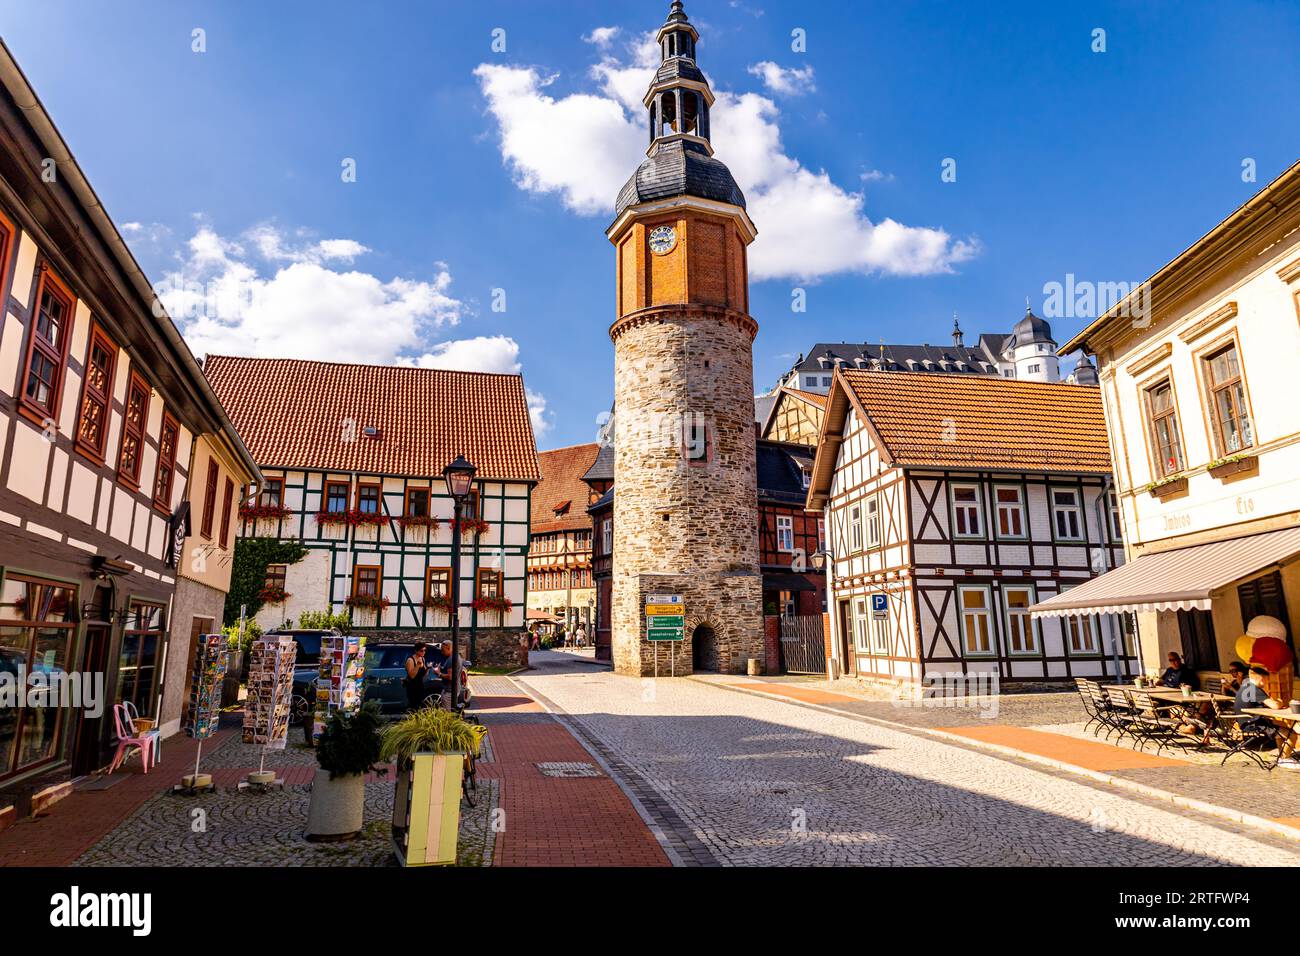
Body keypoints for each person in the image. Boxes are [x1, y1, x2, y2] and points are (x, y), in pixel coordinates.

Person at [403, 642, 430, 712]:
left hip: (420, 685)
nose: (423, 652)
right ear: (416, 650)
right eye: (421, 650)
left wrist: (428, 668)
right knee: (414, 707)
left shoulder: (422, 659)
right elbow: (411, 676)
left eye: (425, 650)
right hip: (412, 687)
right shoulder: (410, 660)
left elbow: (424, 674)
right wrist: (418, 665)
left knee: (421, 706)